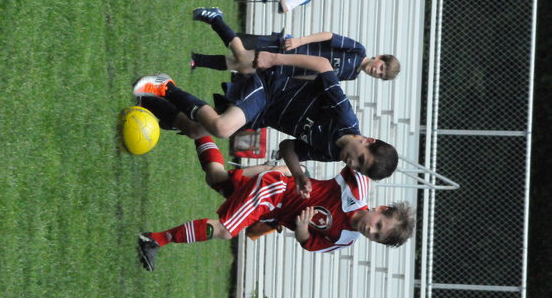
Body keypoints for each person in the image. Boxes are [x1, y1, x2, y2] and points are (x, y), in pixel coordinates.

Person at [137, 135, 415, 271]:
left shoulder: (345, 239)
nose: (371, 230)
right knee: (225, 229)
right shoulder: (358, 187)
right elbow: (355, 144)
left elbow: (308, 243)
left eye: (376, 236)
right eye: (378, 225)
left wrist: (302, 228)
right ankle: (154, 240)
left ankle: (195, 126)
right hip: (275, 190)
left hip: (272, 212)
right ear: (381, 209)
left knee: (217, 179)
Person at [133, 48, 398, 190]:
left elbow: (288, 147)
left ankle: (146, 101)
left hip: (263, 115)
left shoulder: (331, 153)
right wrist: (275, 58)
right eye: (361, 159)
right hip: (271, 89)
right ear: (367, 140)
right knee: (222, 127)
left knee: (195, 130)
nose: (353, 163)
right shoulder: (344, 117)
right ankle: (165, 86)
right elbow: (323, 65)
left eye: (358, 168)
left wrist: (298, 175)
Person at [189, 8, 400, 81]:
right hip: (291, 49)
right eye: (381, 67)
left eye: (381, 75)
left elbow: (317, 75)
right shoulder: (358, 50)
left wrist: (290, 77)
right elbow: (329, 36)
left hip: (288, 67)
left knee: (242, 66)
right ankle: (215, 18)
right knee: (243, 58)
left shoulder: (351, 75)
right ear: (380, 57)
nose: (377, 72)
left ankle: (197, 60)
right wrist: (300, 40)